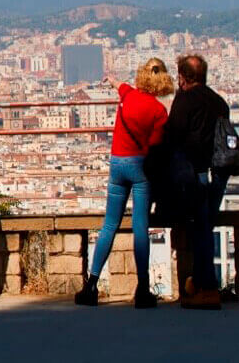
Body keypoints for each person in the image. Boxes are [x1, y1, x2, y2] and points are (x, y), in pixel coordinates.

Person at [75, 58, 174, 308]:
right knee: (140, 228)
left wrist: (111, 79)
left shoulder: (127, 95)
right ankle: (142, 289)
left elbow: (120, 85)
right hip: (140, 167)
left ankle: (91, 285)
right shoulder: (158, 111)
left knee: (109, 225)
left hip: (117, 165)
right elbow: (156, 146)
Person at [162, 54, 231, 310]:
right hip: (219, 174)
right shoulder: (219, 102)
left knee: (200, 231)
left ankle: (206, 288)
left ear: (182, 77)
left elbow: (172, 137)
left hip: (197, 174)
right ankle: (202, 283)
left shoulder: (185, 101)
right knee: (206, 228)